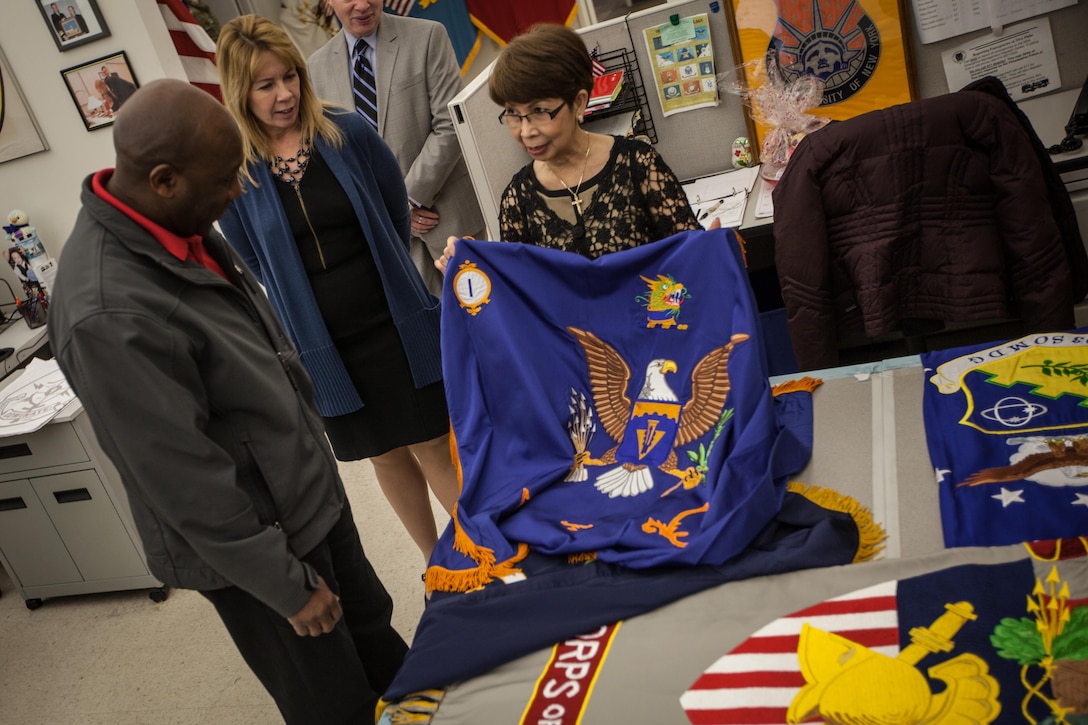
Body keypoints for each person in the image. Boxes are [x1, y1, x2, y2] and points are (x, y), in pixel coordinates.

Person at [47, 78, 408, 724]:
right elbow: (179, 479)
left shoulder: (174, 221)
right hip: (262, 549)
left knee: (387, 656)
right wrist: (285, 586)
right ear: (163, 180)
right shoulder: (105, 309)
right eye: (224, 181)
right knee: (339, 702)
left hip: (306, 498)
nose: (238, 192)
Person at [215, 16, 459, 563]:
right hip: (326, 345)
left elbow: (395, 211)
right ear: (239, 92)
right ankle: (437, 564)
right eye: (265, 85)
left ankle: (489, 556)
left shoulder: (347, 131)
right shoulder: (238, 173)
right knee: (384, 455)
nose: (284, 94)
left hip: (393, 323)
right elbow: (252, 259)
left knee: (432, 444)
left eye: (289, 78)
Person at [437, 23, 709, 270]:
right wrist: (467, 268)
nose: (526, 131)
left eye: (540, 111)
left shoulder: (637, 163)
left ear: (578, 102)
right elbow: (519, 292)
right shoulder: (517, 199)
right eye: (512, 113)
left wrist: (713, 249)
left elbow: (691, 257)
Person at [308, 0, 484, 295]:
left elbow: (450, 126)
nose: (362, 5)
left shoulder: (428, 36)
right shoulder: (315, 68)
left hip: (449, 224)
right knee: (430, 337)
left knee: (485, 323)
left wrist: (404, 202)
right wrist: (387, 214)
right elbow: (334, 158)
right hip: (389, 243)